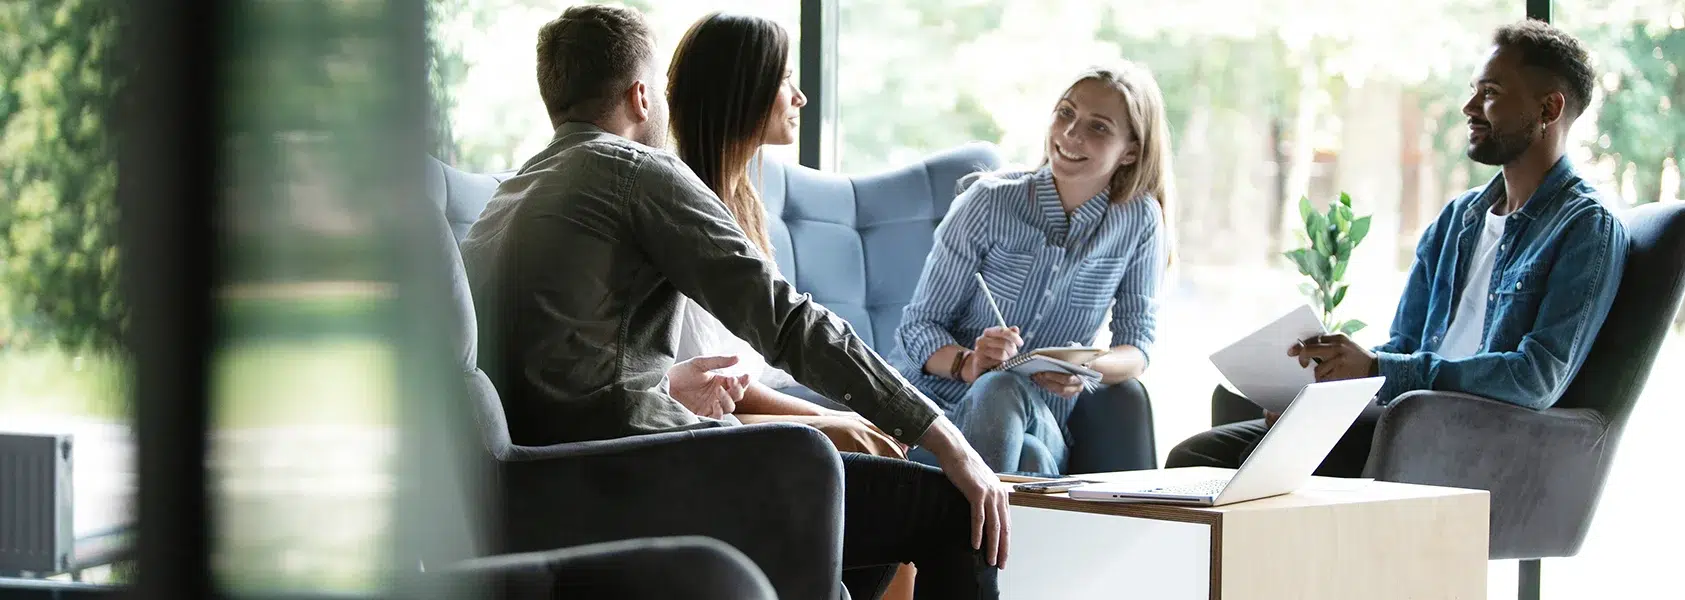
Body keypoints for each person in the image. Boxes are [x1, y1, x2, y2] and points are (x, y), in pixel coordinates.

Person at [457, 5, 1006, 599]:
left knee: (860, 520)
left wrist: (662, 385)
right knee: (956, 512)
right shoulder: (636, 171)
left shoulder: (504, 201)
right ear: (642, 97)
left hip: (541, 496)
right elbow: (788, 323)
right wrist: (945, 436)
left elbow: (561, 376)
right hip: (645, 483)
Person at [1166, 20, 1628, 478]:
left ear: (1549, 108)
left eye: (1489, 92)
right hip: (1401, 424)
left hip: (1469, 441)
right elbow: (1404, 346)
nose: (1469, 106)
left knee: (1208, 467)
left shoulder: (1585, 227)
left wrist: (1378, 368)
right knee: (1196, 458)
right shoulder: (1456, 221)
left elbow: (1535, 377)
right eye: (1474, 89)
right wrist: (1325, 392)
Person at [890, 63, 1173, 476]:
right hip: (935, 417)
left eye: (1098, 127)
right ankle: (989, 538)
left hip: (1042, 418)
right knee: (1030, 456)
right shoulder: (987, 202)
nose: (1071, 134)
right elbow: (919, 326)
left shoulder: (1140, 220)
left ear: (1131, 150)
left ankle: (964, 540)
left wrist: (1088, 369)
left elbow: (1137, 348)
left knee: (1005, 391)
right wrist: (969, 363)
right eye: (1066, 113)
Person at [664, 12, 906, 461]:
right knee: (859, 439)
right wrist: (838, 423)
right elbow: (723, 385)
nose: (801, 97)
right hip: (710, 416)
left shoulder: (743, 200)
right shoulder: (684, 212)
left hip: (756, 396)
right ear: (743, 91)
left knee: (881, 429)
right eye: (785, 79)